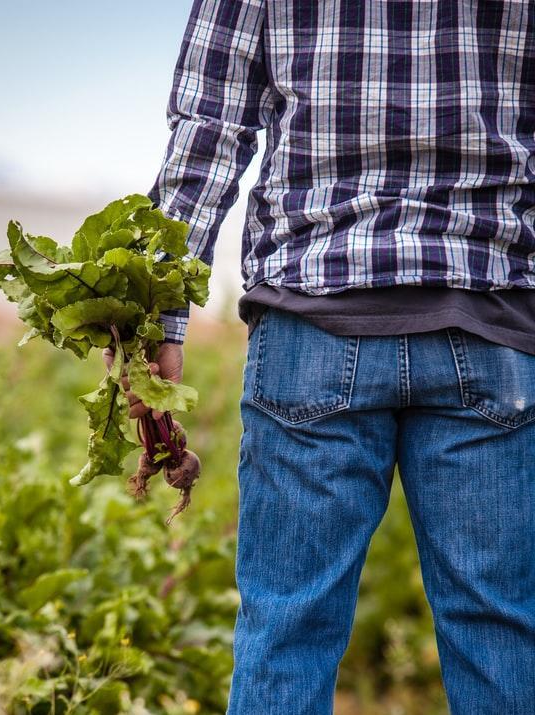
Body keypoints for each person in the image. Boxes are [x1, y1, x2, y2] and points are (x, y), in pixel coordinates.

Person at [105, 1, 535, 712]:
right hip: (491, 320)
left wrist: (159, 322)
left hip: (312, 321)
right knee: (504, 633)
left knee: (286, 630)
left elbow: (208, 127)